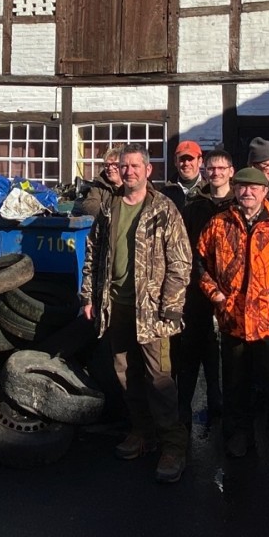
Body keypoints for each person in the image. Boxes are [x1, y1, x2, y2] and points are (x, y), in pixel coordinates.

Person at [79, 144, 192, 483]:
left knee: (159, 379)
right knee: (124, 373)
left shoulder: (163, 209)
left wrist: (170, 306)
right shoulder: (110, 208)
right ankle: (142, 432)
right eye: (123, 166)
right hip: (116, 306)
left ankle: (173, 444)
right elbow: (93, 254)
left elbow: (181, 262)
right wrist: (89, 296)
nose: (129, 171)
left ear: (148, 171)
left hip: (152, 310)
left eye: (135, 166)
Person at [196, 166, 269, 472]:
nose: (247, 192)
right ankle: (238, 435)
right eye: (242, 187)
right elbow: (200, 262)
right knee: (235, 383)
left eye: (254, 188)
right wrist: (214, 293)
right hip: (233, 319)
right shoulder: (218, 223)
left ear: (264, 191)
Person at [175, 148, 233, 427]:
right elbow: (186, 247)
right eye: (211, 168)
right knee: (195, 346)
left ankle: (222, 400)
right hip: (198, 286)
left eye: (221, 168)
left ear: (231, 171)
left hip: (233, 288)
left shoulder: (237, 203)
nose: (216, 173)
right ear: (204, 171)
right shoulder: (195, 206)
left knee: (230, 351)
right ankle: (185, 406)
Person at [74, 146, 123, 218]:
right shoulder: (99, 185)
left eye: (115, 165)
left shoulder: (130, 185)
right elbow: (90, 207)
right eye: (107, 165)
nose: (110, 168)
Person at [161, 140, 205, 211]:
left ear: (199, 161)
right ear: (175, 161)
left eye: (190, 159)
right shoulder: (165, 193)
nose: (186, 163)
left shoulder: (209, 190)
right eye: (182, 159)